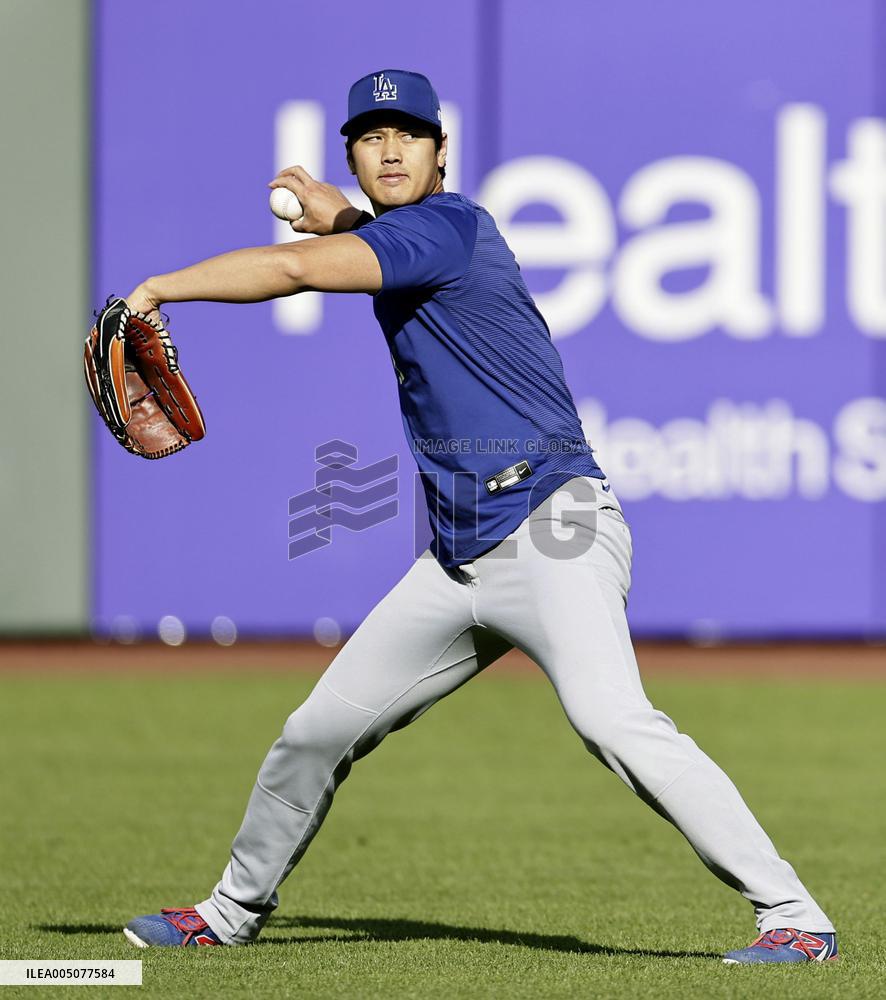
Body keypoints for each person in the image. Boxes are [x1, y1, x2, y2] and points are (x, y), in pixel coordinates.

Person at [121, 69, 837, 965]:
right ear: (352, 150)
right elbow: (361, 238)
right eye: (371, 136)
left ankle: (796, 919)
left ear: (440, 151)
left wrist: (157, 288)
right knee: (313, 733)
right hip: (459, 561)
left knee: (616, 724)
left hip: (553, 528)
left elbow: (298, 268)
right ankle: (228, 912)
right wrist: (334, 208)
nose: (389, 149)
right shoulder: (403, 233)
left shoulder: (453, 228)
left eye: (408, 135)